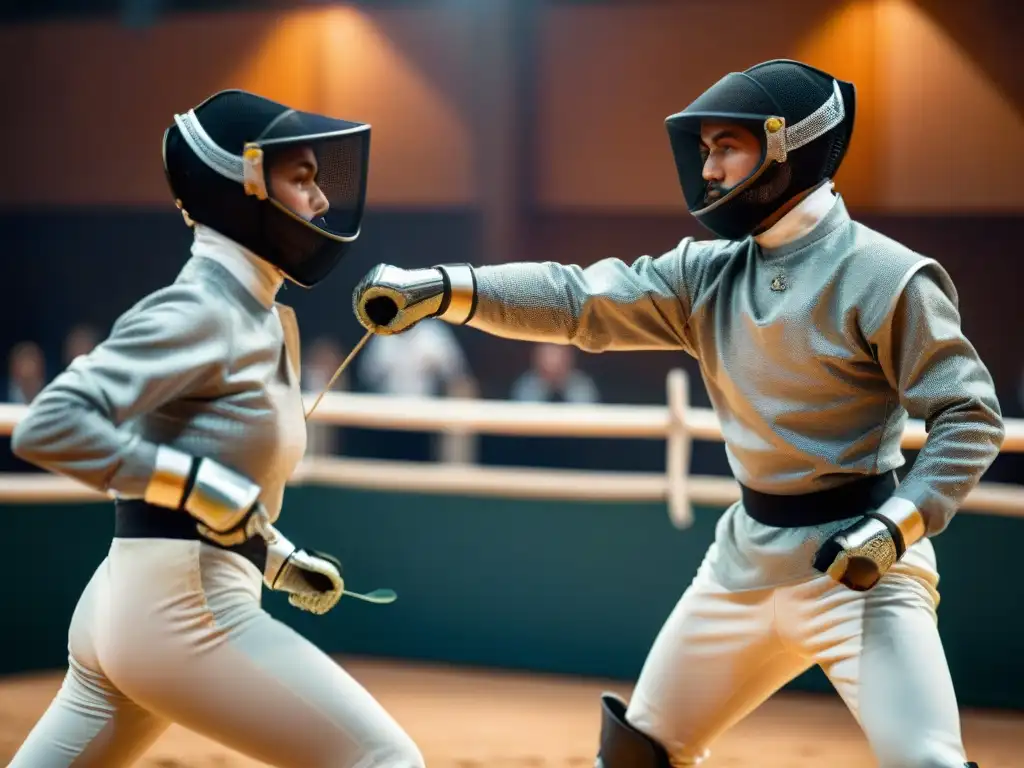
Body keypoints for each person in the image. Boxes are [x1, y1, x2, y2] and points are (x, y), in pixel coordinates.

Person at [351, 60, 1002, 767]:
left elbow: (969, 416)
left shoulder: (889, 275)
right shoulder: (708, 271)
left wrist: (893, 528)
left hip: (861, 573)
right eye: (706, 150)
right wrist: (448, 288)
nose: (711, 167)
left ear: (787, 146)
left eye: (727, 145)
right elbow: (579, 300)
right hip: (742, 563)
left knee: (930, 764)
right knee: (638, 756)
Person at [10, 89, 424, 768]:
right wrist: (197, 486)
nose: (320, 200)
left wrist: (276, 557)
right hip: (178, 610)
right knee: (386, 761)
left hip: (140, 599)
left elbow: (206, 469)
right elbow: (50, 425)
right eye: (303, 178)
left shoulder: (253, 310)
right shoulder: (203, 307)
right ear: (247, 182)